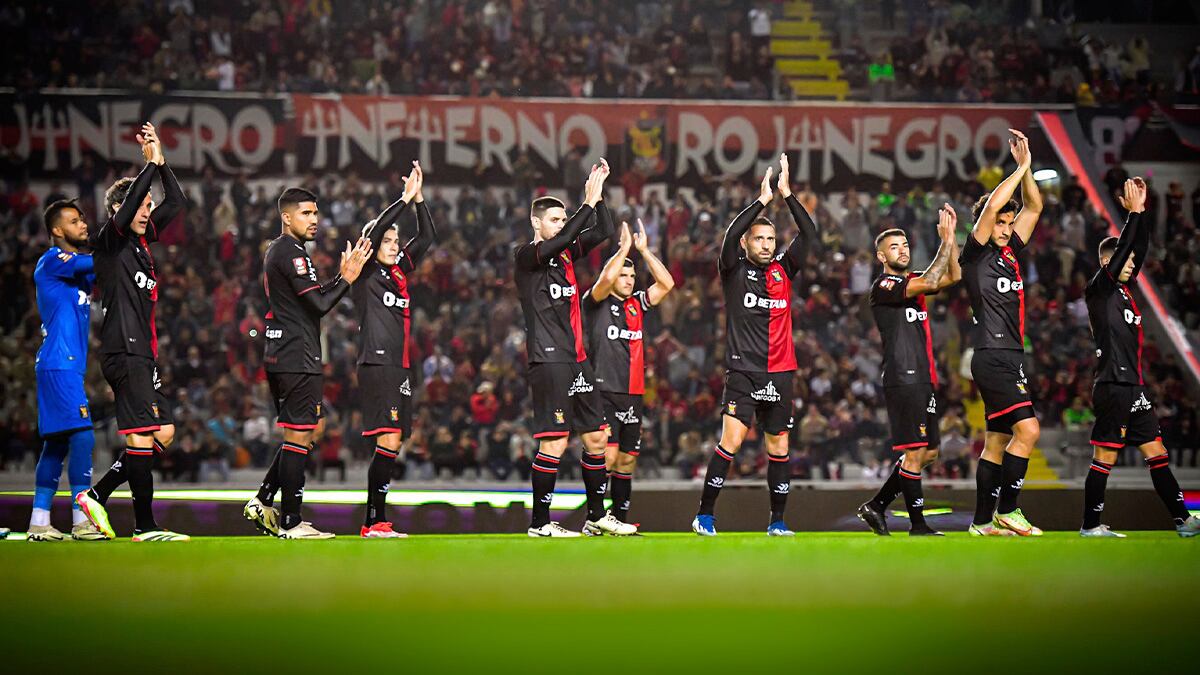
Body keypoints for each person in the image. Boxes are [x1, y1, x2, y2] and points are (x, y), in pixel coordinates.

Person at [692, 154, 818, 537]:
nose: (766, 245)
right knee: (730, 440)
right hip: (744, 371)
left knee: (779, 448)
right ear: (747, 243)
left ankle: (778, 522)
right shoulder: (734, 269)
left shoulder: (783, 268)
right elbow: (730, 236)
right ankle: (705, 516)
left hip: (781, 372)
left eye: (770, 240)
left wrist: (787, 195)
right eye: (759, 239)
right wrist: (762, 201)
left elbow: (809, 235)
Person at [76, 123, 189, 542]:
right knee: (141, 438)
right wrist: (147, 165)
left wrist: (161, 166)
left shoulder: (141, 245)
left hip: (143, 353)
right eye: (141, 206)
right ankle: (145, 526)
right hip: (124, 351)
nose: (148, 211)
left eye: (147, 206)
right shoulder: (111, 242)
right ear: (122, 210)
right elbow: (126, 214)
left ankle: (96, 495)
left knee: (163, 432)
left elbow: (177, 201)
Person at [514, 159, 635, 537]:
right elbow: (565, 238)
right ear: (537, 223)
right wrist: (585, 201)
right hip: (548, 359)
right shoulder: (526, 256)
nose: (561, 225)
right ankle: (539, 523)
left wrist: (598, 199)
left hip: (578, 359)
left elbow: (603, 230)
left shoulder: (564, 253)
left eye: (563, 219)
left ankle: (597, 516)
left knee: (597, 437)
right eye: (554, 219)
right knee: (555, 441)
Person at [242, 188, 372, 539]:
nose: (314, 220)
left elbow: (311, 299)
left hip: (285, 351)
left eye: (316, 213)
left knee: (305, 430)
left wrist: (341, 278)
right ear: (287, 216)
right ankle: (290, 520)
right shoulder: (290, 250)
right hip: (296, 353)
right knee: (301, 433)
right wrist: (347, 279)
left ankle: (264, 499)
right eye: (306, 214)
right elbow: (319, 305)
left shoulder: (285, 250)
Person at [1080, 177, 1200, 538]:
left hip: (1134, 386)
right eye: (1124, 259)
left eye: (1132, 260)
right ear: (1107, 261)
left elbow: (1140, 247)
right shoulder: (1100, 289)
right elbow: (1128, 248)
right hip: (1113, 385)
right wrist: (1131, 215)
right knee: (1106, 458)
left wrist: (1142, 213)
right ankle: (1090, 525)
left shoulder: (1125, 293)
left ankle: (1183, 520)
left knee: (1157, 452)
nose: (1132, 264)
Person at [857, 204, 961, 536]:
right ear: (882, 257)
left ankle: (876, 505)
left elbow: (954, 276)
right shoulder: (884, 286)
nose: (902, 251)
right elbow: (933, 278)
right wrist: (944, 242)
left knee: (928, 451)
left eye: (905, 245)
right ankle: (918, 525)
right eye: (894, 247)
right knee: (915, 451)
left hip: (923, 375)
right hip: (904, 375)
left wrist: (952, 241)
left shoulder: (914, 281)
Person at [961, 129, 1044, 537]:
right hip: (992, 354)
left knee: (996, 442)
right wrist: (1021, 166)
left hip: (1011, 354)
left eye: (1010, 223)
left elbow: (1035, 204)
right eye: (1001, 223)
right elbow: (994, 203)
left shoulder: (1010, 251)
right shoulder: (975, 254)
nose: (1007, 228)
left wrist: (1027, 172)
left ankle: (980, 523)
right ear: (986, 224)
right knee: (1028, 430)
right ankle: (1008, 510)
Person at [356, 161, 435, 538]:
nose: (391, 246)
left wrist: (419, 200)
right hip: (378, 361)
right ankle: (374, 520)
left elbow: (428, 236)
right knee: (388, 439)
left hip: (400, 366)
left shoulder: (400, 269)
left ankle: (377, 519)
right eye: (385, 240)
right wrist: (402, 200)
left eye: (394, 240)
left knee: (395, 441)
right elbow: (376, 234)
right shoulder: (366, 268)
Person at [584, 218, 675, 526]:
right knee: (606, 458)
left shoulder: (637, 304)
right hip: (604, 389)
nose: (629, 279)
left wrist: (645, 252)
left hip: (634, 393)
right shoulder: (596, 302)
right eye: (623, 274)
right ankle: (595, 517)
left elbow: (667, 285)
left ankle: (620, 520)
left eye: (632, 275)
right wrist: (622, 251)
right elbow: (604, 280)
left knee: (626, 462)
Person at [28, 199, 105, 541]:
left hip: (62, 366)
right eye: (74, 221)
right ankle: (81, 519)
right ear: (57, 230)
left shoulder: (73, 270)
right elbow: (99, 264)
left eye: (83, 219)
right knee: (83, 436)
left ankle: (39, 522)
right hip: (60, 365)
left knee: (56, 446)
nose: (83, 225)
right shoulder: (53, 261)